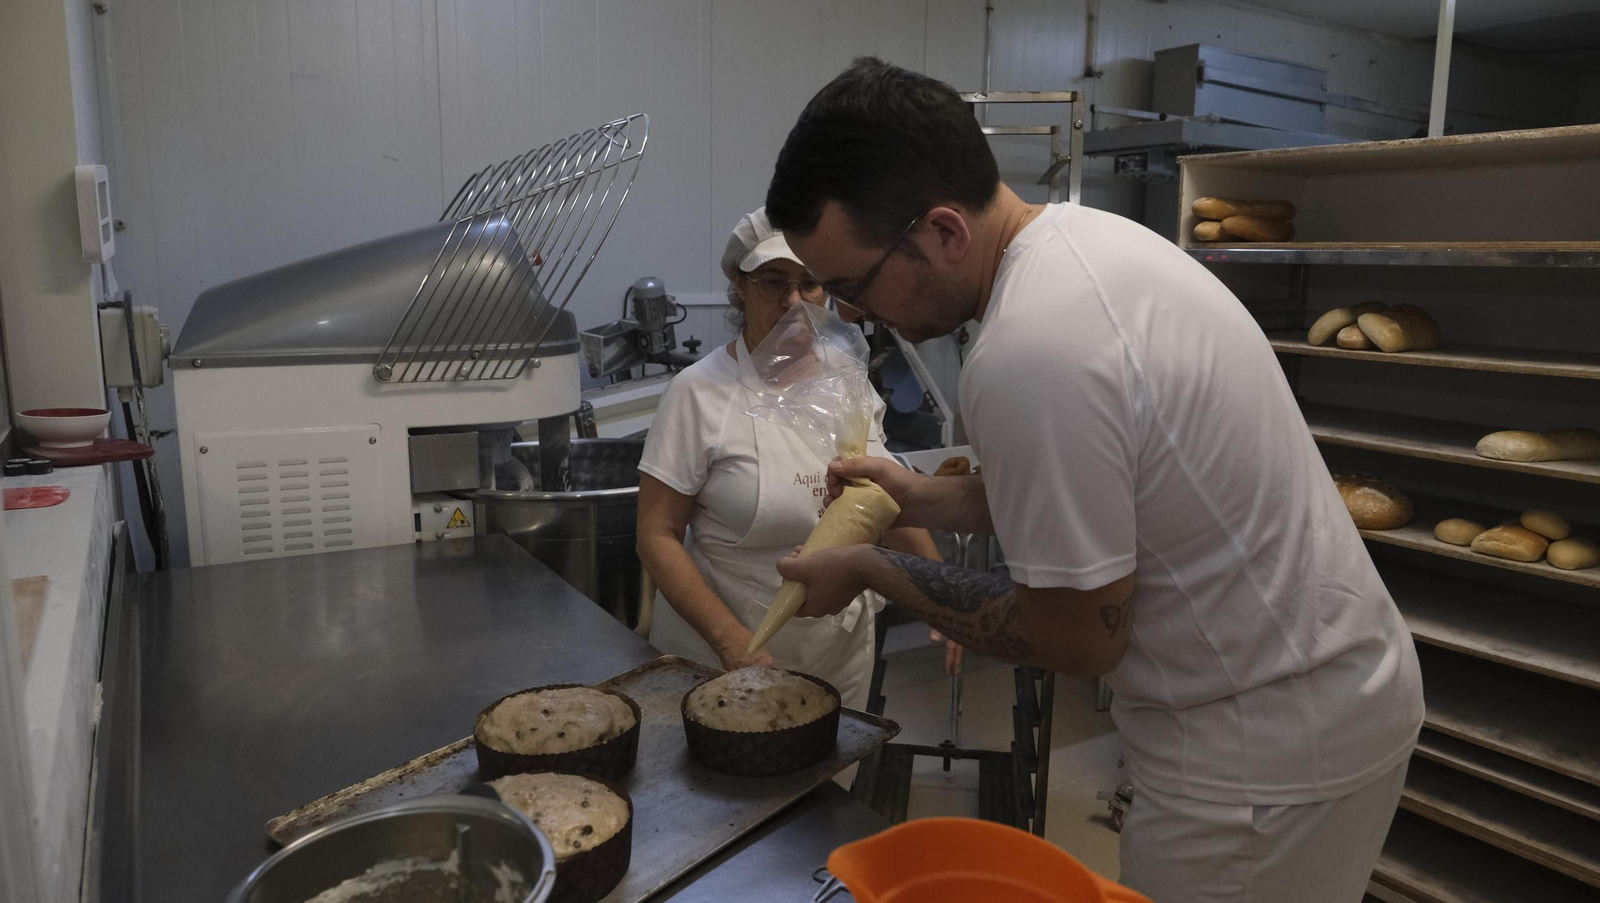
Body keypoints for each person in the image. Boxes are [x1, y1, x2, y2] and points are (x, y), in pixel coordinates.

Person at [762, 58, 1424, 902]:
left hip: (1260, 760)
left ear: (942, 232)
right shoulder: (1087, 245)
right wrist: (909, 493)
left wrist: (871, 569)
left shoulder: (1031, 351)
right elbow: (1100, 499)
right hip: (1331, 691)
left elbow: (1078, 638)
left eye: (851, 283)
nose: (847, 312)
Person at [635, 208, 952, 711]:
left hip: (839, 653)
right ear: (738, 284)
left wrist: (942, 595)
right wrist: (730, 641)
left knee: (830, 782)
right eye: (772, 281)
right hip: (726, 658)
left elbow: (882, 501)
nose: (792, 301)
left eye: (809, 283)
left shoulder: (847, 378)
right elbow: (656, 535)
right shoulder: (697, 393)